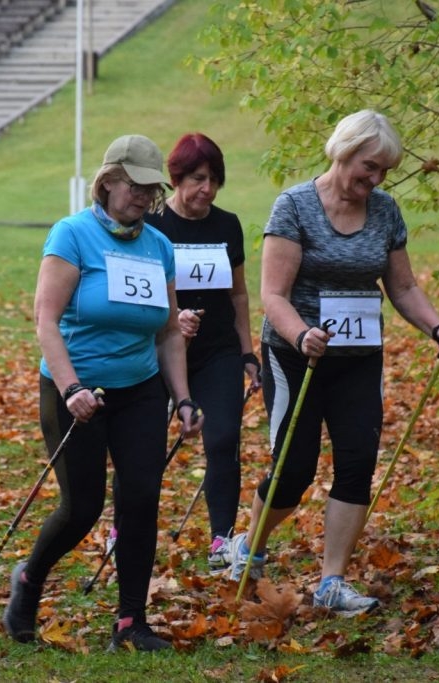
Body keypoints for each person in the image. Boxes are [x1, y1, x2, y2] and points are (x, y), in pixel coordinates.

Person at [227, 110, 439, 617]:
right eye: (369, 166)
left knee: (357, 463)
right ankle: (250, 543)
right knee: (294, 471)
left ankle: (332, 582)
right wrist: (301, 334)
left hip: (358, 359)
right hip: (296, 357)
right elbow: (272, 294)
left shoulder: (385, 211)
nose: (375, 180)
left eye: (383, 172)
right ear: (344, 150)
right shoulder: (294, 206)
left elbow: (401, 286)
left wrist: (437, 328)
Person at [2, 134, 204, 652]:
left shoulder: (159, 246)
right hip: (76, 388)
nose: (142, 195)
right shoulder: (72, 235)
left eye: (150, 187)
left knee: (141, 498)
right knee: (82, 505)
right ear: (109, 180)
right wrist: (70, 387)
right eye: (134, 185)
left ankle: (129, 622)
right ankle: (29, 578)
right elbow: (46, 320)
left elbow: (166, 332)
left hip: (138, 390)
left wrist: (182, 399)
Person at [144, 132, 260, 574]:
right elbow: (138, 298)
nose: (206, 189)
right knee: (143, 447)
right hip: (158, 350)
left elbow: (240, 295)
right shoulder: (153, 227)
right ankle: (126, 531)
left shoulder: (226, 225)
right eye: (196, 178)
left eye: (213, 180)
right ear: (176, 178)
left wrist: (248, 354)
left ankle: (221, 539)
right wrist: (172, 320)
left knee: (224, 439)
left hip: (217, 353)